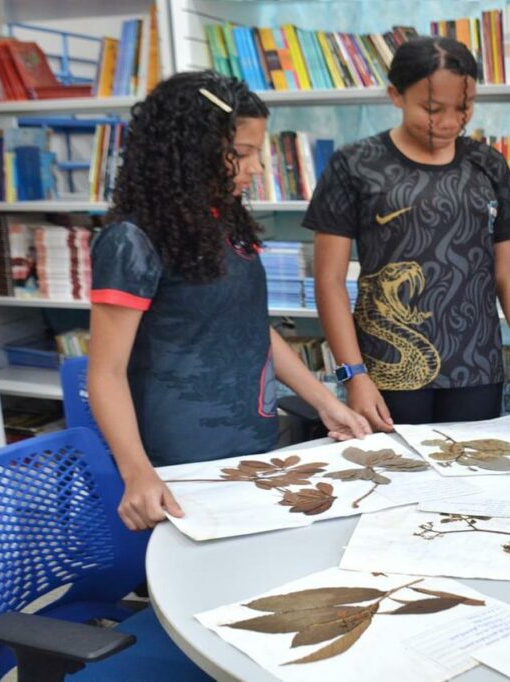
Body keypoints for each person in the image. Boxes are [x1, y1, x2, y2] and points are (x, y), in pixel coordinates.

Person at [88, 72, 370, 531]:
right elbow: (105, 372)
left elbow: (249, 328)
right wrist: (137, 471)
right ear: (191, 152)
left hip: (254, 447)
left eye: (257, 152)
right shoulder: (131, 241)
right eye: (241, 153)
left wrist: (325, 401)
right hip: (180, 464)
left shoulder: (226, 223)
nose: (256, 168)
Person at [305, 37, 510, 429]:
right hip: (386, 371)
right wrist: (353, 375)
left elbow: (509, 272)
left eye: (464, 108)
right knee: (395, 480)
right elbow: (330, 281)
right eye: (432, 109)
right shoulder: (354, 166)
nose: (450, 122)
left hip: (477, 368)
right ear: (396, 95)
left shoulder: (487, 164)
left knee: (470, 482)